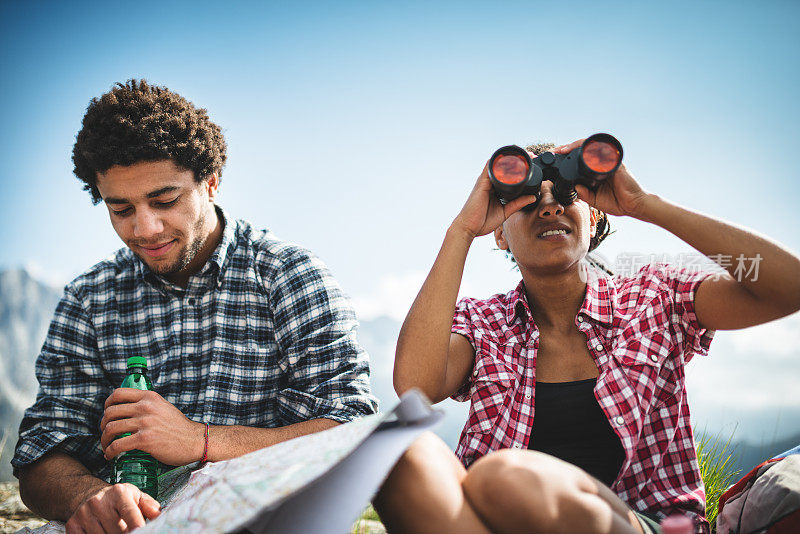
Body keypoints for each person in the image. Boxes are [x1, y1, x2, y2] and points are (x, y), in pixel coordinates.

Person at [375, 139, 800, 534]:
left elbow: (789, 285)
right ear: (500, 233)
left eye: (565, 195)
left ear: (594, 216)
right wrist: (462, 230)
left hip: (639, 522)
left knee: (508, 478)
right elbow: (416, 385)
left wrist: (645, 204)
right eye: (526, 204)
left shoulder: (655, 299)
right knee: (401, 458)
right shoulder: (484, 324)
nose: (548, 208)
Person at [12, 80, 378, 533]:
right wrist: (89, 496)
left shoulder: (288, 275)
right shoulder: (89, 299)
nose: (145, 228)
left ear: (210, 182)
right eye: (121, 209)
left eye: (165, 200)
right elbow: (42, 449)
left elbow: (353, 430)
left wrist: (199, 441)